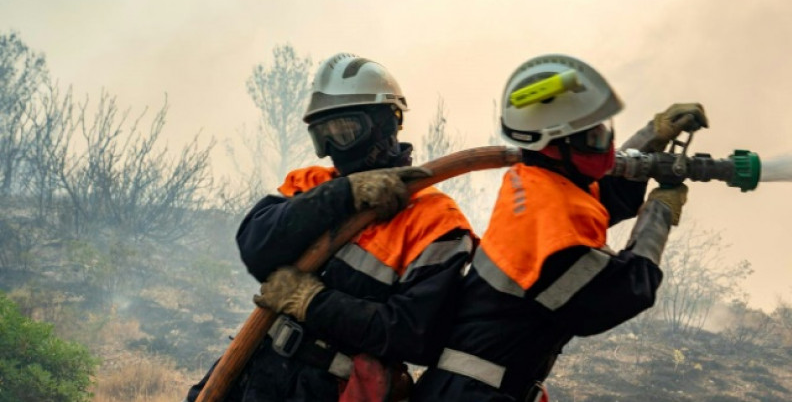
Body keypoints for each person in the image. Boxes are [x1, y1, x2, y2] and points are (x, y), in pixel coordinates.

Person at [411, 54, 708, 402]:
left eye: (603, 131)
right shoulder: (551, 233)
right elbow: (623, 292)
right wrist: (659, 213)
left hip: (471, 388)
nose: (606, 146)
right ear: (556, 145)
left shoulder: (537, 180)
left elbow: (599, 197)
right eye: (593, 138)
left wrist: (651, 137)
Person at [185, 53, 476, 402]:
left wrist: (314, 303)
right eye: (323, 135)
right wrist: (343, 194)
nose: (333, 148)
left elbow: (415, 336)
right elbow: (255, 246)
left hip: (328, 388)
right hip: (253, 370)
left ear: (387, 123)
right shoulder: (313, 185)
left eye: (346, 131)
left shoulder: (437, 222)